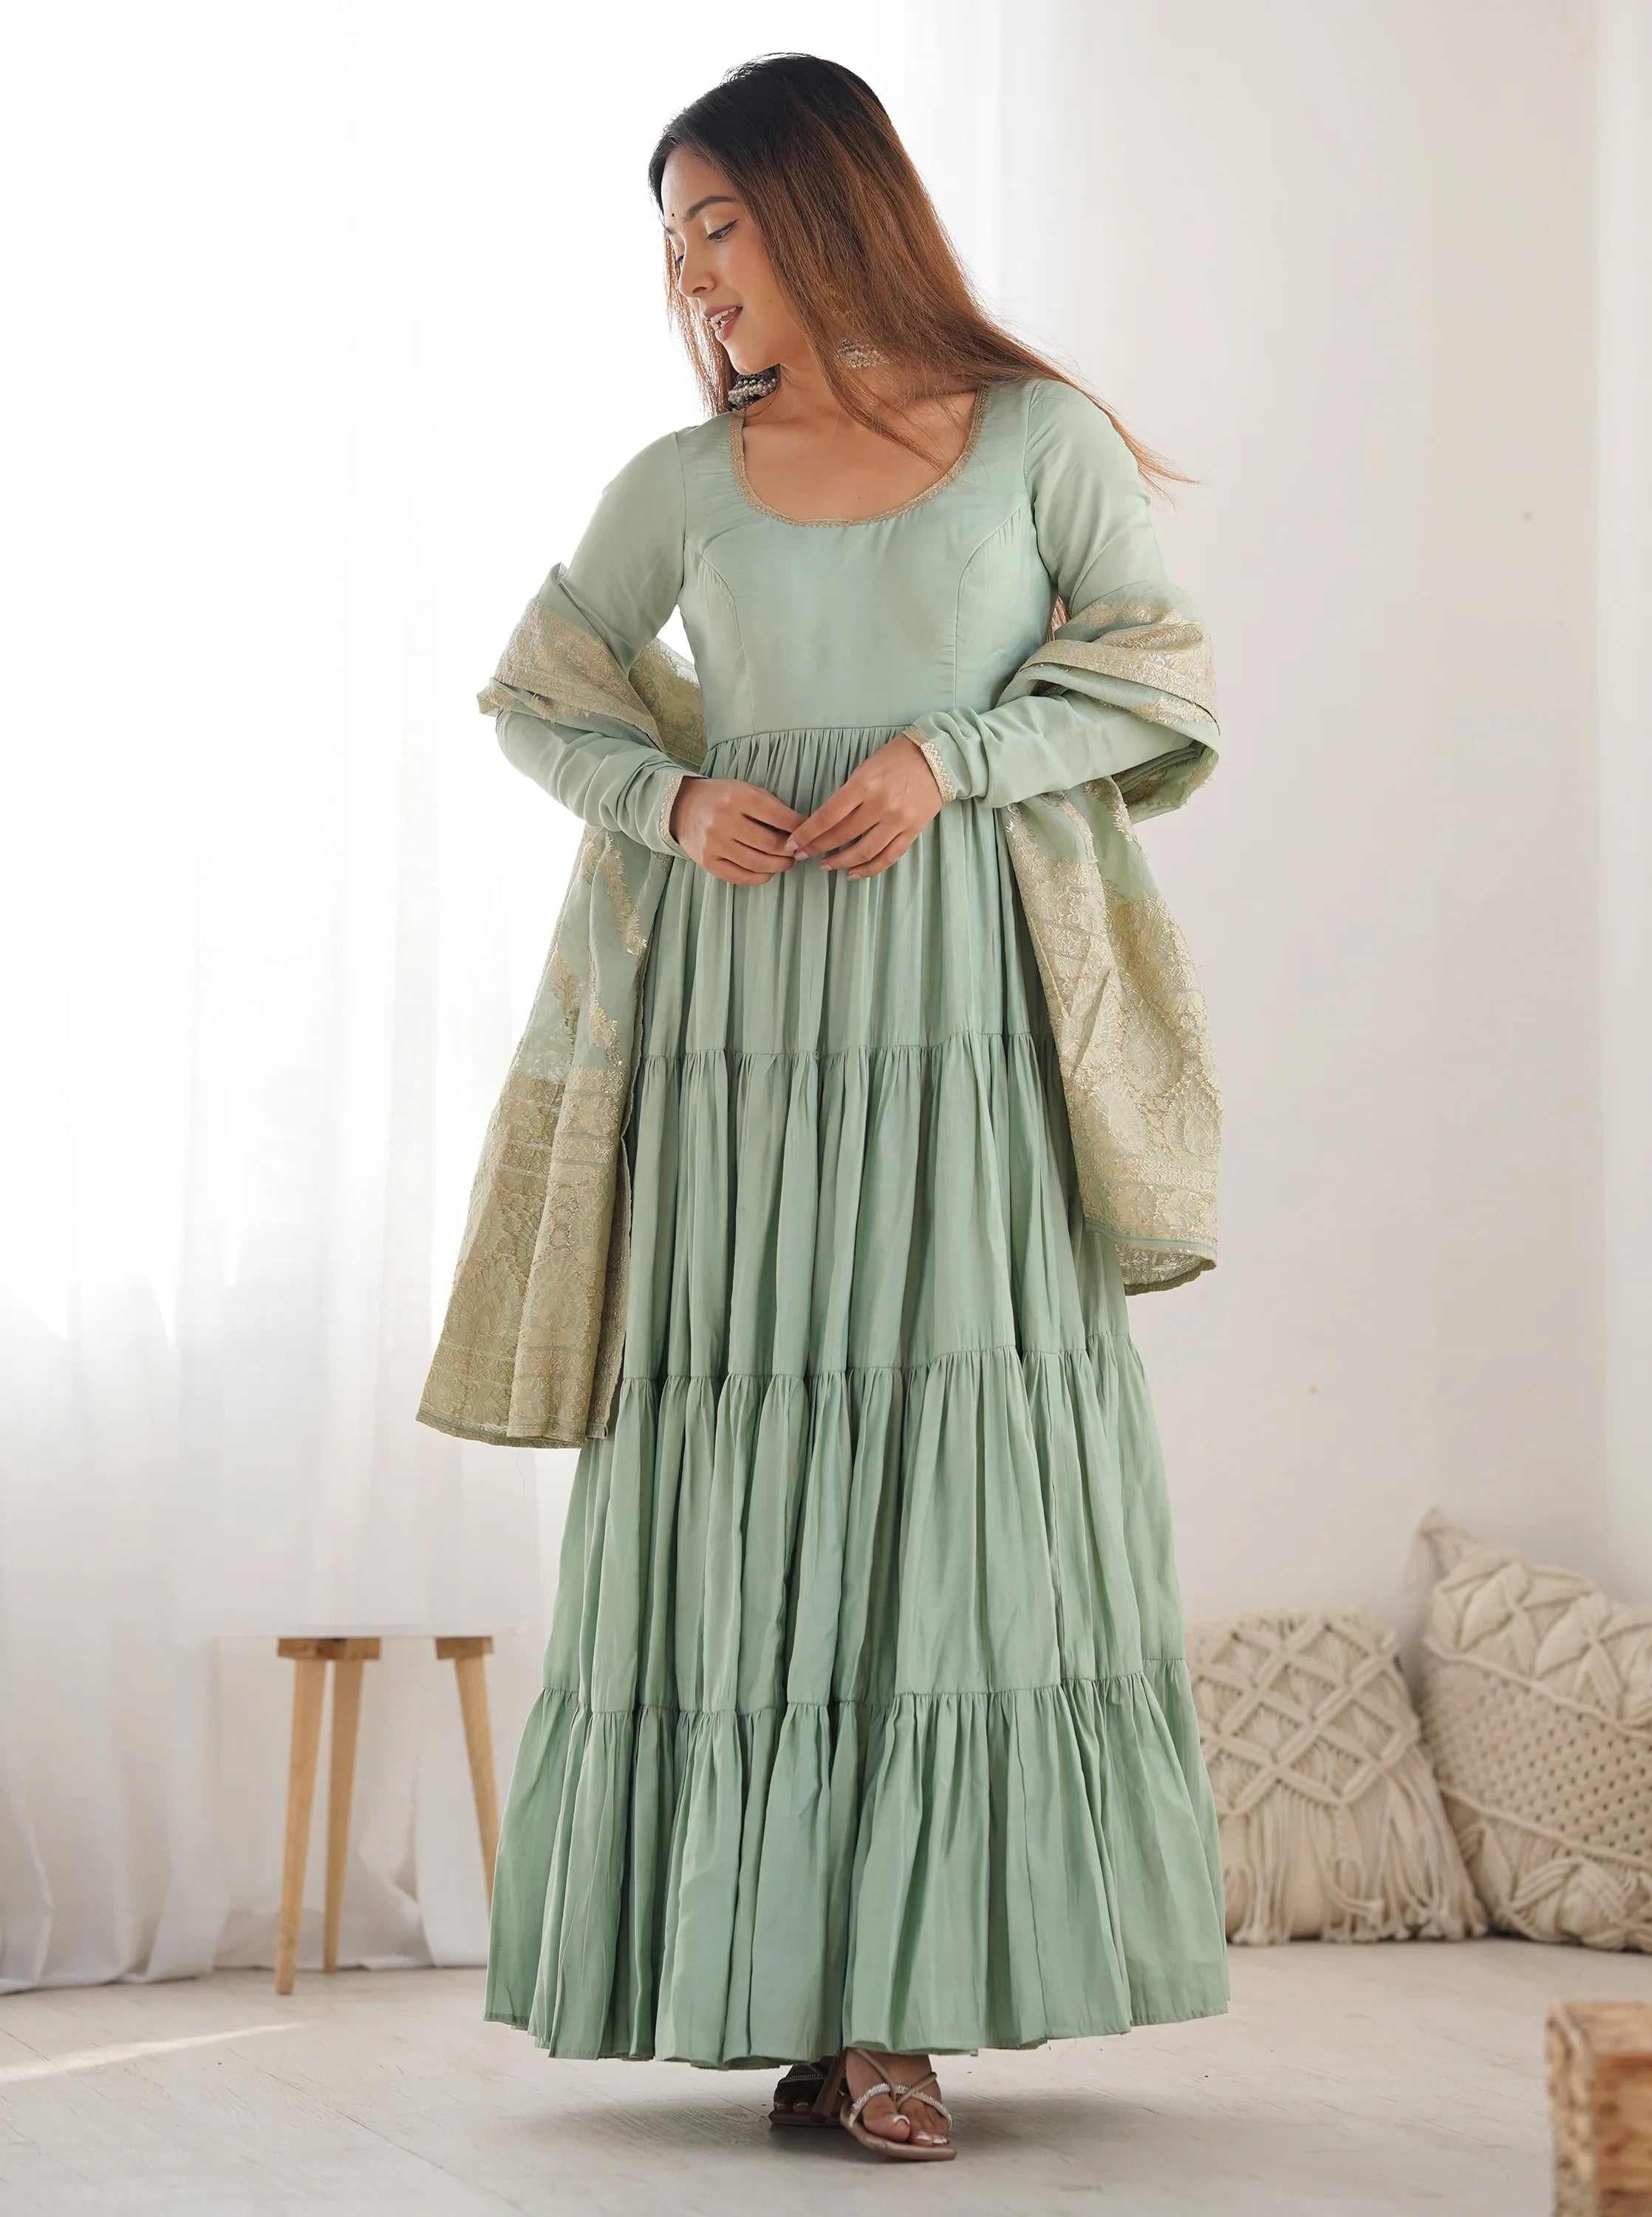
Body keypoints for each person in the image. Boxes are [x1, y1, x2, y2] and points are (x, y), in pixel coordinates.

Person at [420, 50, 1229, 2165]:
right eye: (670, 238)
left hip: (961, 1048)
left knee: (941, 1484)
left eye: (718, 223)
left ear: (827, 210)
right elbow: (540, 688)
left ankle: (900, 2011)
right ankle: (780, 1984)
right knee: (750, 1472)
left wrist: (947, 762)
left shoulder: (1033, 443)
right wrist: (668, 791)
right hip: (741, 1050)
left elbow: (1152, 669)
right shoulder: (682, 484)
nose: (692, 276)